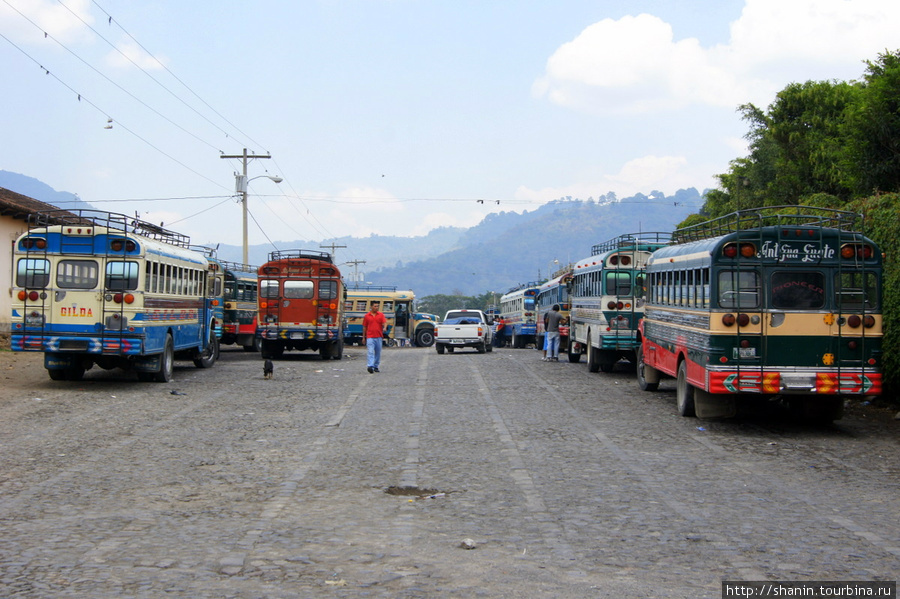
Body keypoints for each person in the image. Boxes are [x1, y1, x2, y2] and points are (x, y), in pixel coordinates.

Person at [363, 301, 387, 373]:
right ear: (371, 307)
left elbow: (384, 322)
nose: (376, 308)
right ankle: (370, 365)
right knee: (370, 351)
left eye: (377, 306)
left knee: (378, 352)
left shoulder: (381, 315)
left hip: (379, 336)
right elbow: (364, 327)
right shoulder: (367, 316)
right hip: (370, 336)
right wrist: (363, 337)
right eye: (375, 306)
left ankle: (376, 365)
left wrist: (384, 327)